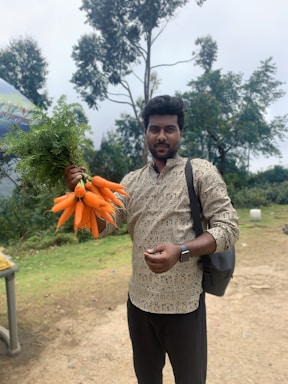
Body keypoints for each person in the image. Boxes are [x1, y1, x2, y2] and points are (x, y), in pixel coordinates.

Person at [65, 95, 239, 384]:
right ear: (145, 132)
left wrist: (181, 250)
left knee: (190, 379)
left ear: (180, 133)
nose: (161, 136)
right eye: (154, 129)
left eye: (169, 129)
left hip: (184, 305)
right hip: (140, 304)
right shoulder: (129, 182)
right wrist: (79, 194)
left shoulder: (200, 172)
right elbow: (102, 227)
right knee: (146, 379)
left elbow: (228, 227)